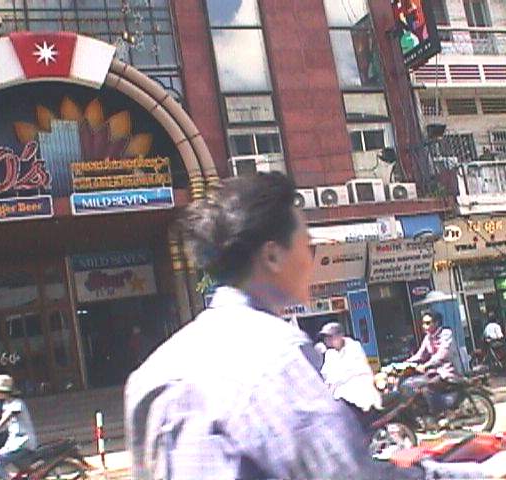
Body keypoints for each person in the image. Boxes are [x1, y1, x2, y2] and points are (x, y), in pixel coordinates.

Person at [125, 173, 425, 479]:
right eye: (308, 246)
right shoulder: (280, 355)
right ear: (272, 256)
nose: (312, 260)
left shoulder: (149, 375)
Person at [319, 322, 382, 425]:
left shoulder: (353, 347)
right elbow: (326, 375)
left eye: (330, 337)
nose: (327, 340)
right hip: (340, 397)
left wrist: (335, 379)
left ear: (340, 336)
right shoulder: (330, 354)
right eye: (326, 338)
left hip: (360, 391)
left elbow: (352, 371)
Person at [405, 311, 463, 421]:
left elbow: (441, 355)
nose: (424, 326)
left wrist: (425, 366)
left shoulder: (446, 334)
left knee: (428, 386)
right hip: (437, 371)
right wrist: (405, 363)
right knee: (416, 383)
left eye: (428, 323)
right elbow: (420, 355)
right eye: (423, 323)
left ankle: (440, 413)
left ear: (436, 323)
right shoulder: (428, 337)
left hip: (449, 371)